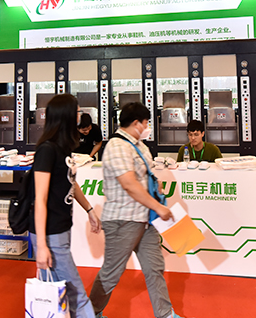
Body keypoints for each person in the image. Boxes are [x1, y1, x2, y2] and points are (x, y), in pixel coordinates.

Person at [90, 102, 186, 318]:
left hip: (145, 220)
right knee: (111, 273)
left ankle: (165, 314)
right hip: (122, 220)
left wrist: (155, 184)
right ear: (136, 123)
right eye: (146, 122)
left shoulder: (140, 146)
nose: (147, 127)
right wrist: (158, 207)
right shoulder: (116, 146)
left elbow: (144, 176)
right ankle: (91, 312)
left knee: (154, 267)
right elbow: (129, 184)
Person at [30, 93, 101, 318]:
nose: (80, 115)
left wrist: (89, 209)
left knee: (60, 292)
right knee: (77, 295)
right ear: (66, 116)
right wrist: (41, 245)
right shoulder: (47, 150)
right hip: (50, 234)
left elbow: (71, 183)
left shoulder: (62, 148)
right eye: (77, 111)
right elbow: (40, 198)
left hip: (61, 230)